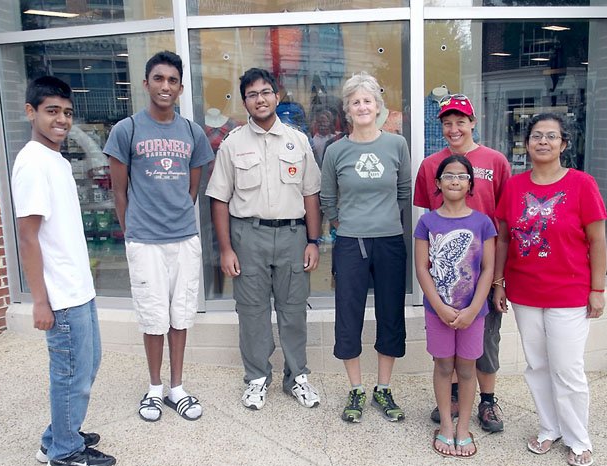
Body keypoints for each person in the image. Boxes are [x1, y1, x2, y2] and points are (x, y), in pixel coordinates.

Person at [12, 76, 116, 466]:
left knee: (86, 366)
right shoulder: (33, 163)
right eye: (51, 111)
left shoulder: (54, 158)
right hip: (59, 294)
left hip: (77, 287)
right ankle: (65, 454)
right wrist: (40, 300)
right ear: (30, 112)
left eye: (67, 112)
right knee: (71, 372)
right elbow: (28, 237)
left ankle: (57, 435)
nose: (61, 120)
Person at [104, 51, 214, 422]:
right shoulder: (127, 130)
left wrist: (175, 217)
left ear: (181, 88)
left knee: (180, 315)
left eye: (172, 81)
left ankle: (176, 388)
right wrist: (132, 230)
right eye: (158, 79)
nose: (165, 86)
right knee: (154, 317)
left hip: (183, 238)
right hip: (144, 240)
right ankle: (153, 389)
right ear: (146, 83)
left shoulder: (192, 133)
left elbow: (192, 189)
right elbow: (119, 192)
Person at [493, 113, 607, 466]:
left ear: (563, 144)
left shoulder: (581, 184)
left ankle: (577, 438)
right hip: (525, 292)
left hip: (569, 292)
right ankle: (549, 427)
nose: (543, 141)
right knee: (538, 365)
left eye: (551, 136)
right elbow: (503, 238)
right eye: (536, 136)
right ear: (526, 144)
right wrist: (499, 282)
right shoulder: (513, 186)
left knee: (568, 368)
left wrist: (598, 288)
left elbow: (597, 239)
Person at [206, 68, 322, 410]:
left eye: (266, 92)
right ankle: (256, 378)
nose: (260, 99)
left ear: (277, 95)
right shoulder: (233, 144)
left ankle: (296, 377)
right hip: (248, 236)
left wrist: (313, 241)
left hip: (292, 236)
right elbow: (219, 199)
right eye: (252, 94)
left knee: (293, 310)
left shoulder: (298, 141)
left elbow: (311, 195)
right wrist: (226, 248)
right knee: (253, 312)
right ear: (245, 102)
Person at [414, 93, 511, 432]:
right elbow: (432, 222)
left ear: (473, 123)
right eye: (447, 123)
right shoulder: (430, 165)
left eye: (460, 122)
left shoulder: (495, 161)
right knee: (447, 348)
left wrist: (498, 279)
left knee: (483, 344)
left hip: (483, 271)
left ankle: (487, 402)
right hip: (446, 279)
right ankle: (452, 397)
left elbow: (503, 222)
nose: (454, 129)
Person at [321, 72, 411, 423]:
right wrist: (346, 225)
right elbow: (328, 198)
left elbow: (403, 192)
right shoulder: (336, 151)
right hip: (350, 244)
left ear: (378, 107)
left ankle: (383, 389)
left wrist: (383, 221)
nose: (362, 107)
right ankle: (356, 389)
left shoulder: (396, 145)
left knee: (390, 314)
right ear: (348, 109)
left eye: (367, 101)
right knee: (349, 315)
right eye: (355, 101)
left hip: (389, 241)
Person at [414, 154, 496, 458]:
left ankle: (463, 428)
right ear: (438, 183)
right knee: (443, 366)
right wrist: (439, 305)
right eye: (449, 175)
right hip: (439, 311)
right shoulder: (427, 222)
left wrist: (474, 308)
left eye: (462, 176)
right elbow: (422, 268)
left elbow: (487, 268)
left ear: (470, 184)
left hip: (473, 313)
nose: (455, 180)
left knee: (466, 368)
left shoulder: (482, 222)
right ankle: (446, 425)